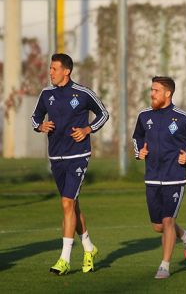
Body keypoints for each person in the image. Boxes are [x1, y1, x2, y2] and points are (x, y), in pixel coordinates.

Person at [31, 53, 109, 275]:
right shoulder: (47, 94)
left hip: (78, 156)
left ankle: (64, 259)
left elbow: (103, 113)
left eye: (54, 68)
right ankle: (88, 247)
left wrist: (87, 129)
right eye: (50, 68)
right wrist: (40, 126)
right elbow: (35, 118)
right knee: (72, 205)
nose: (51, 72)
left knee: (66, 203)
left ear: (67, 71)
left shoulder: (83, 93)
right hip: (56, 157)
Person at [132, 76, 186, 279]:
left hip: (175, 178)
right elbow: (137, 137)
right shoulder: (144, 116)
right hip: (152, 178)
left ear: (168, 93)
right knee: (159, 226)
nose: (152, 94)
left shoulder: (182, 117)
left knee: (167, 221)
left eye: (155, 90)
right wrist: (140, 152)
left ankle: (164, 265)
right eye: (151, 90)